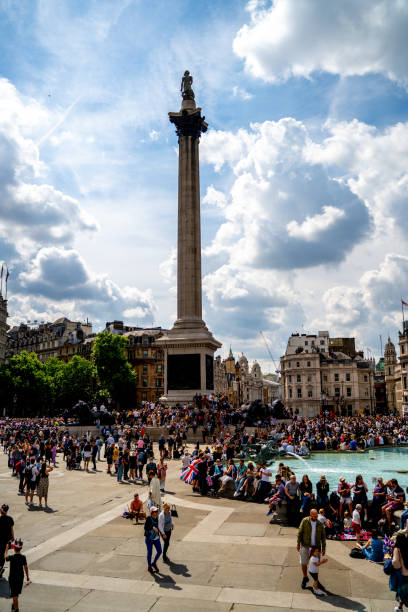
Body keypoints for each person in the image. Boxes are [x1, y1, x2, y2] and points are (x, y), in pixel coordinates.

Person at [297, 508, 326, 590]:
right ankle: (305, 577)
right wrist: (298, 544)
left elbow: (323, 537)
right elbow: (300, 532)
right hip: (305, 545)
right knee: (303, 563)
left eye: (317, 516)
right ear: (310, 515)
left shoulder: (320, 524)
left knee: (315, 566)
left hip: (316, 548)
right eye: (314, 516)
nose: (316, 517)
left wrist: (323, 548)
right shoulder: (305, 521)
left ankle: (315, 581)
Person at [5, 538, 30, 611]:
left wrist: (6, 548)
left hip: (12, 578)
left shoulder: (12, 557)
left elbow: (5, 557)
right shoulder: (23, 557)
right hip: (20, 578)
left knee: (14, 595)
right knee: (16, 593)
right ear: (21, 548)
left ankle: (16, 608)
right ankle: (14, 605)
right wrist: (27, 577)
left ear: (14, 548)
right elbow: (26, 567)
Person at [392, 533, 408, 610]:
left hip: (403, 574)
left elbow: (395, 562)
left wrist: (397, 567)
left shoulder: (397, 548)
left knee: (402, 592)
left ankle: (400, 608)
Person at [144, 507, 162, 574]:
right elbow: (145, 527)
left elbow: (160, 526)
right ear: (151, 512)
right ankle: (149, 567)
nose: (156, 512)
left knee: (160, 551)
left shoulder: (157, 518)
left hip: (156, 538)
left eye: (157, 511)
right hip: (149, 538)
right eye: (155, 511)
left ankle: (154, 563)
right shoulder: (149, 518)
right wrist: (152, 527)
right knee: (150, 553)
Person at [0, 504, 14, 579]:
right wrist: (13, 537)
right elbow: (12, 529)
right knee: (3, 555)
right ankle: (0, 569)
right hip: (7, 541)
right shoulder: (10, 519)